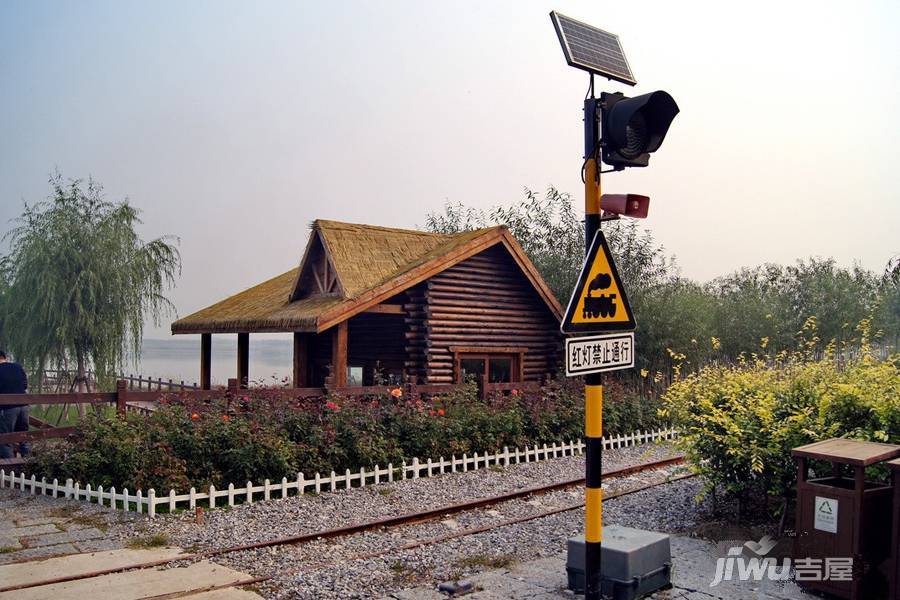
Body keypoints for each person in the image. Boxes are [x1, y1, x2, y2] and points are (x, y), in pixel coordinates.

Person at [0, 349, 29, 459]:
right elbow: (25, 385)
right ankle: (27, 465)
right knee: (23, 437)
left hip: (7, 408)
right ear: (5, 357)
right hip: (24, 406)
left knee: (6, 440)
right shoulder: (17, 367)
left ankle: (9, 468)